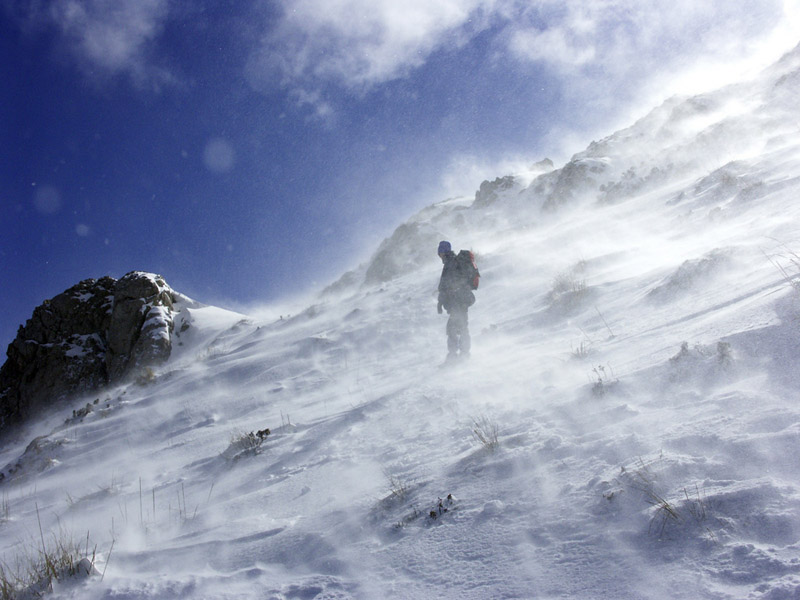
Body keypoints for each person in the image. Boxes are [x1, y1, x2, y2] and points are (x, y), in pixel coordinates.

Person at [437, 240, 478, 362]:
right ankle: (461, 354)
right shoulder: (452, 262)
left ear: (443, 252)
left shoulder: (451, 263)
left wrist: (442, 300)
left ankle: (457, 355)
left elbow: (447, 285)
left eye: (440, 253)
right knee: (459, 327)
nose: (439, 256)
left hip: (458, 301)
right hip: (460, 301)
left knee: (454, 328)